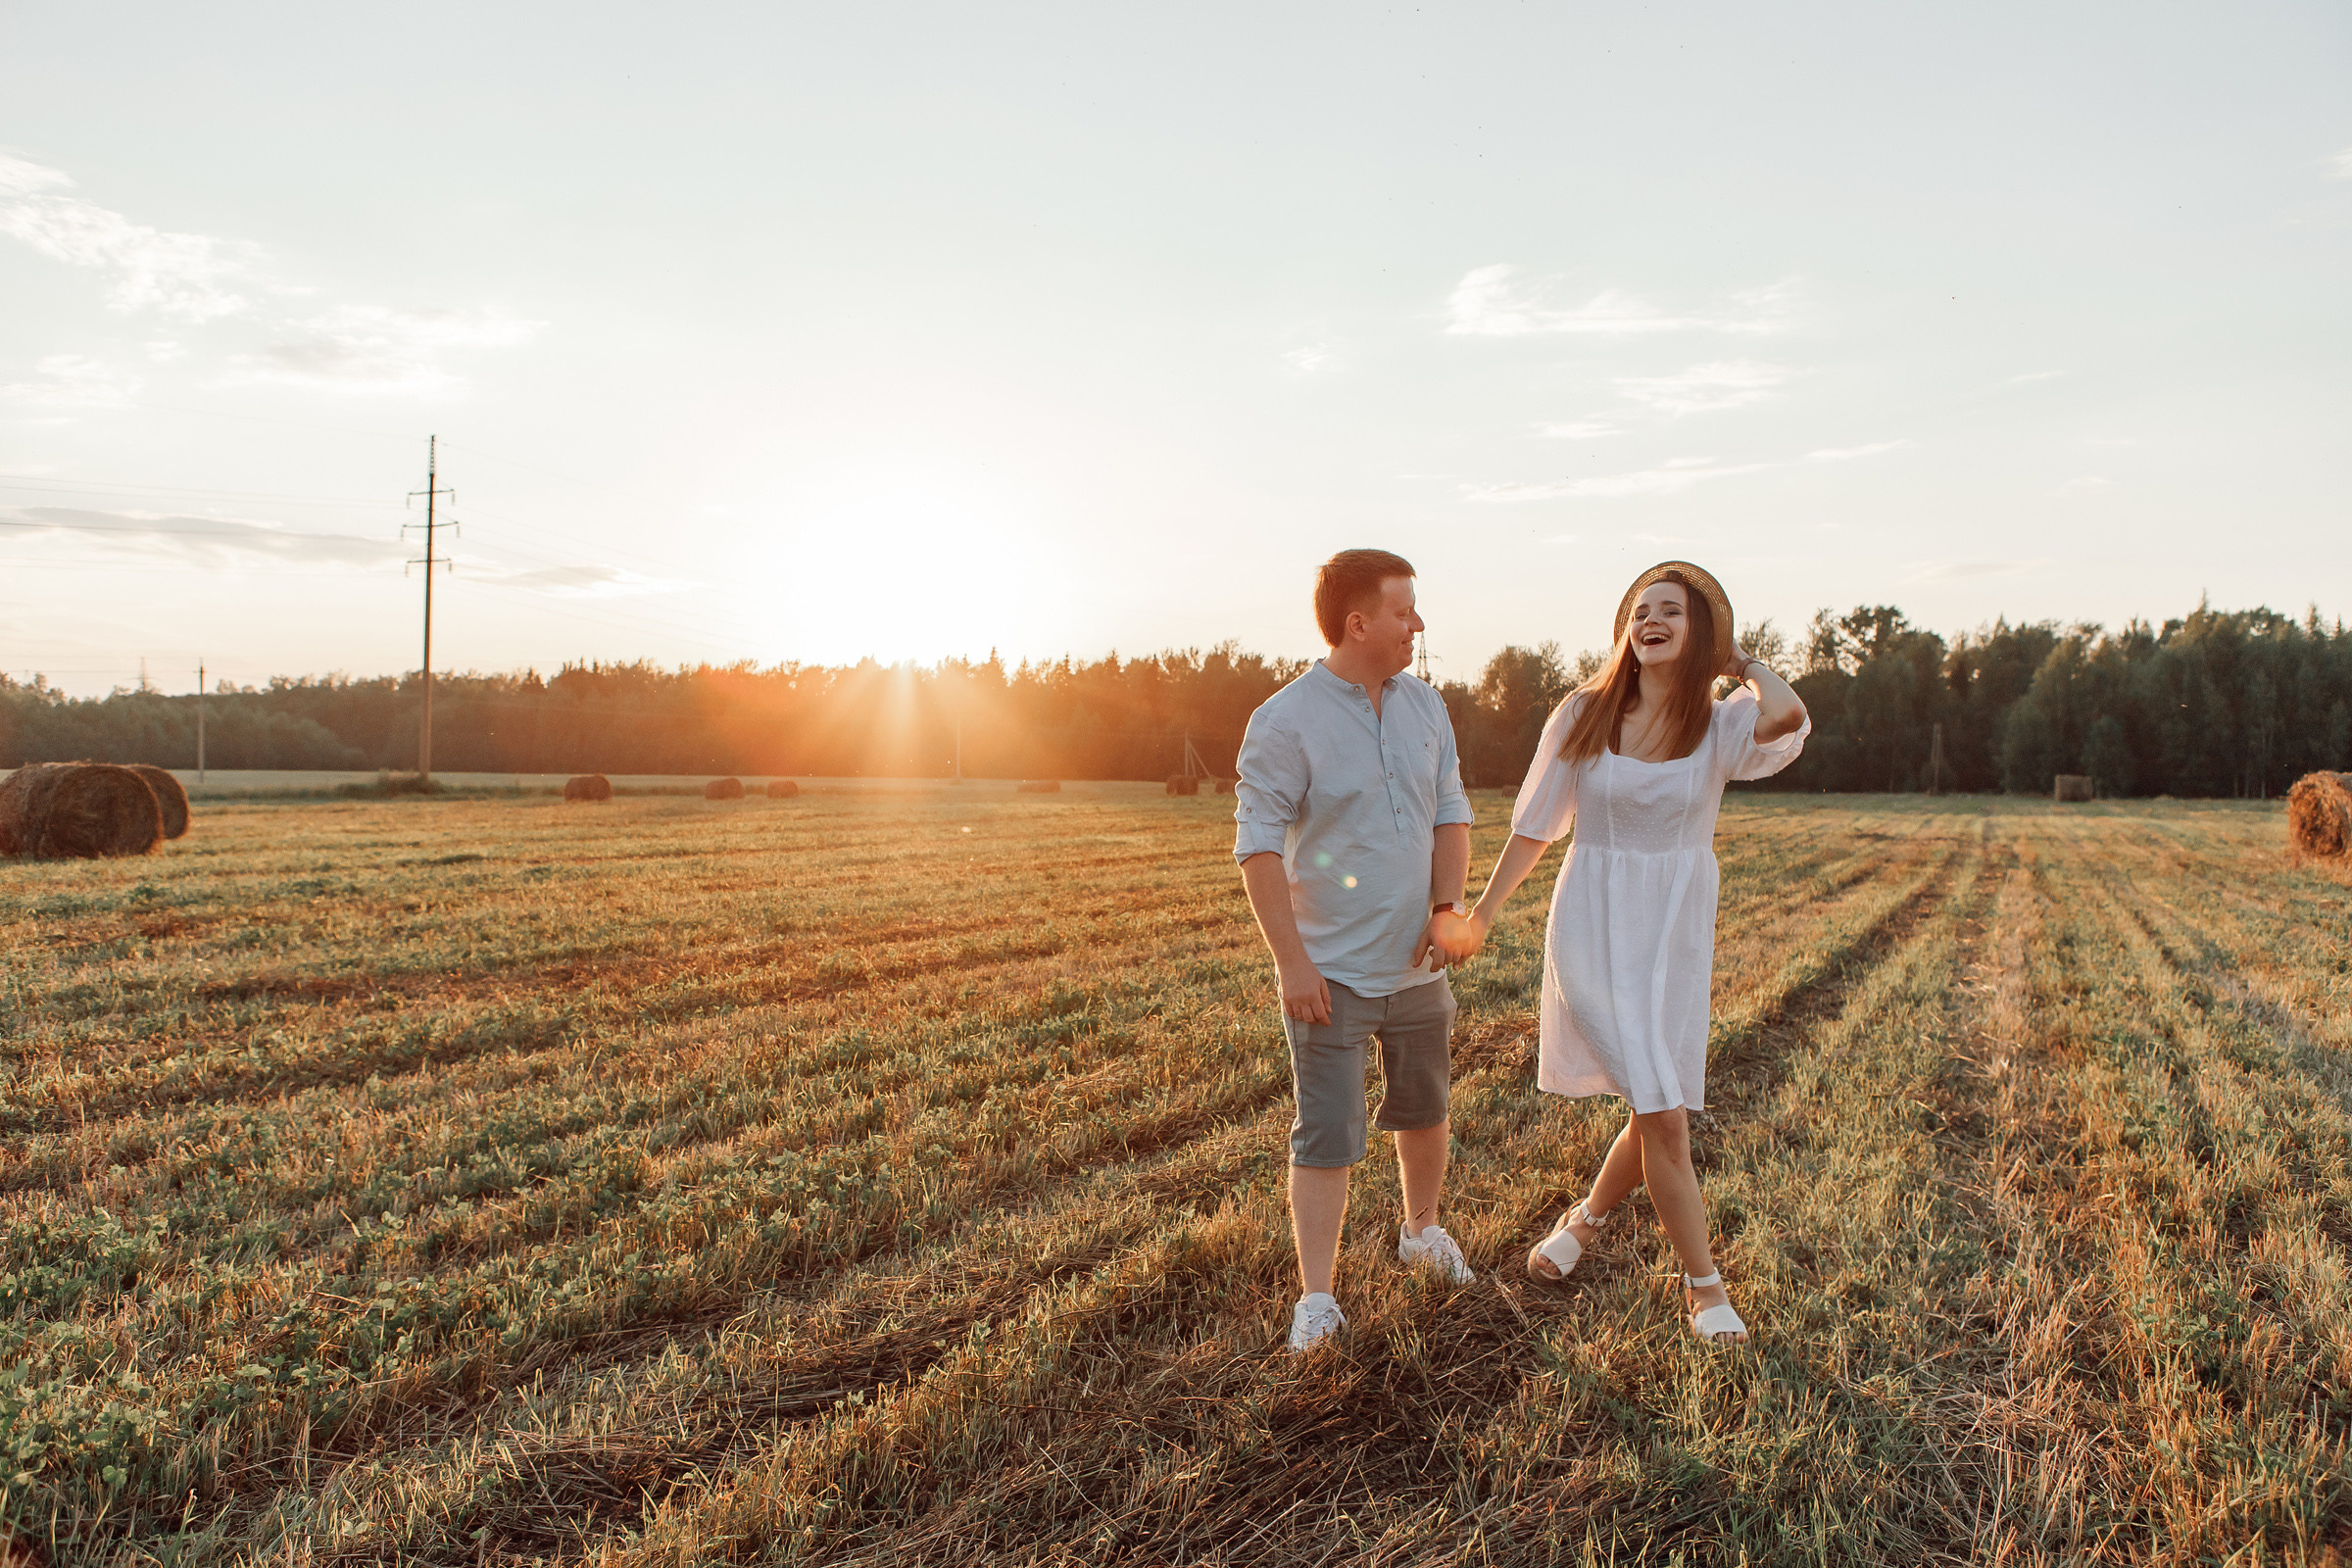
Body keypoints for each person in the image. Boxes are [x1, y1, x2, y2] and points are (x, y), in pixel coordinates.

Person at [1455, 562, 1808, 1346]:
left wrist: (1742, 665)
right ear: (1624, 632)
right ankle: (1704, 1288)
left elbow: (1786, 718)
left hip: (1671, 937)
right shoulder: (1583, 713)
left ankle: (1581, 1222)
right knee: (1663, 1113)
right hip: (1589, 929)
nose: (1650, 620)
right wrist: (1481, 914)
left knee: (1659, 1105)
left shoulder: (1719, 726)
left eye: (1673, 613)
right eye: (1640, 611)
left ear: (1700, 636)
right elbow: (1536, 826)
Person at [1234, 548, 1481, 1353]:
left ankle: (1421, 1231)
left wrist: (1447, 907)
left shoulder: (1428, 709)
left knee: (1426, 1109)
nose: (1419, 624)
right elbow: (1258, 849)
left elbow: (1451, 814)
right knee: (1327, 1135)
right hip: (1330, 976)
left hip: (1418, 969)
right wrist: (1292, 964)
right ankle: (1317, 1298)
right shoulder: (1284, 721)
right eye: (1406, 610)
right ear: (1359, 622)